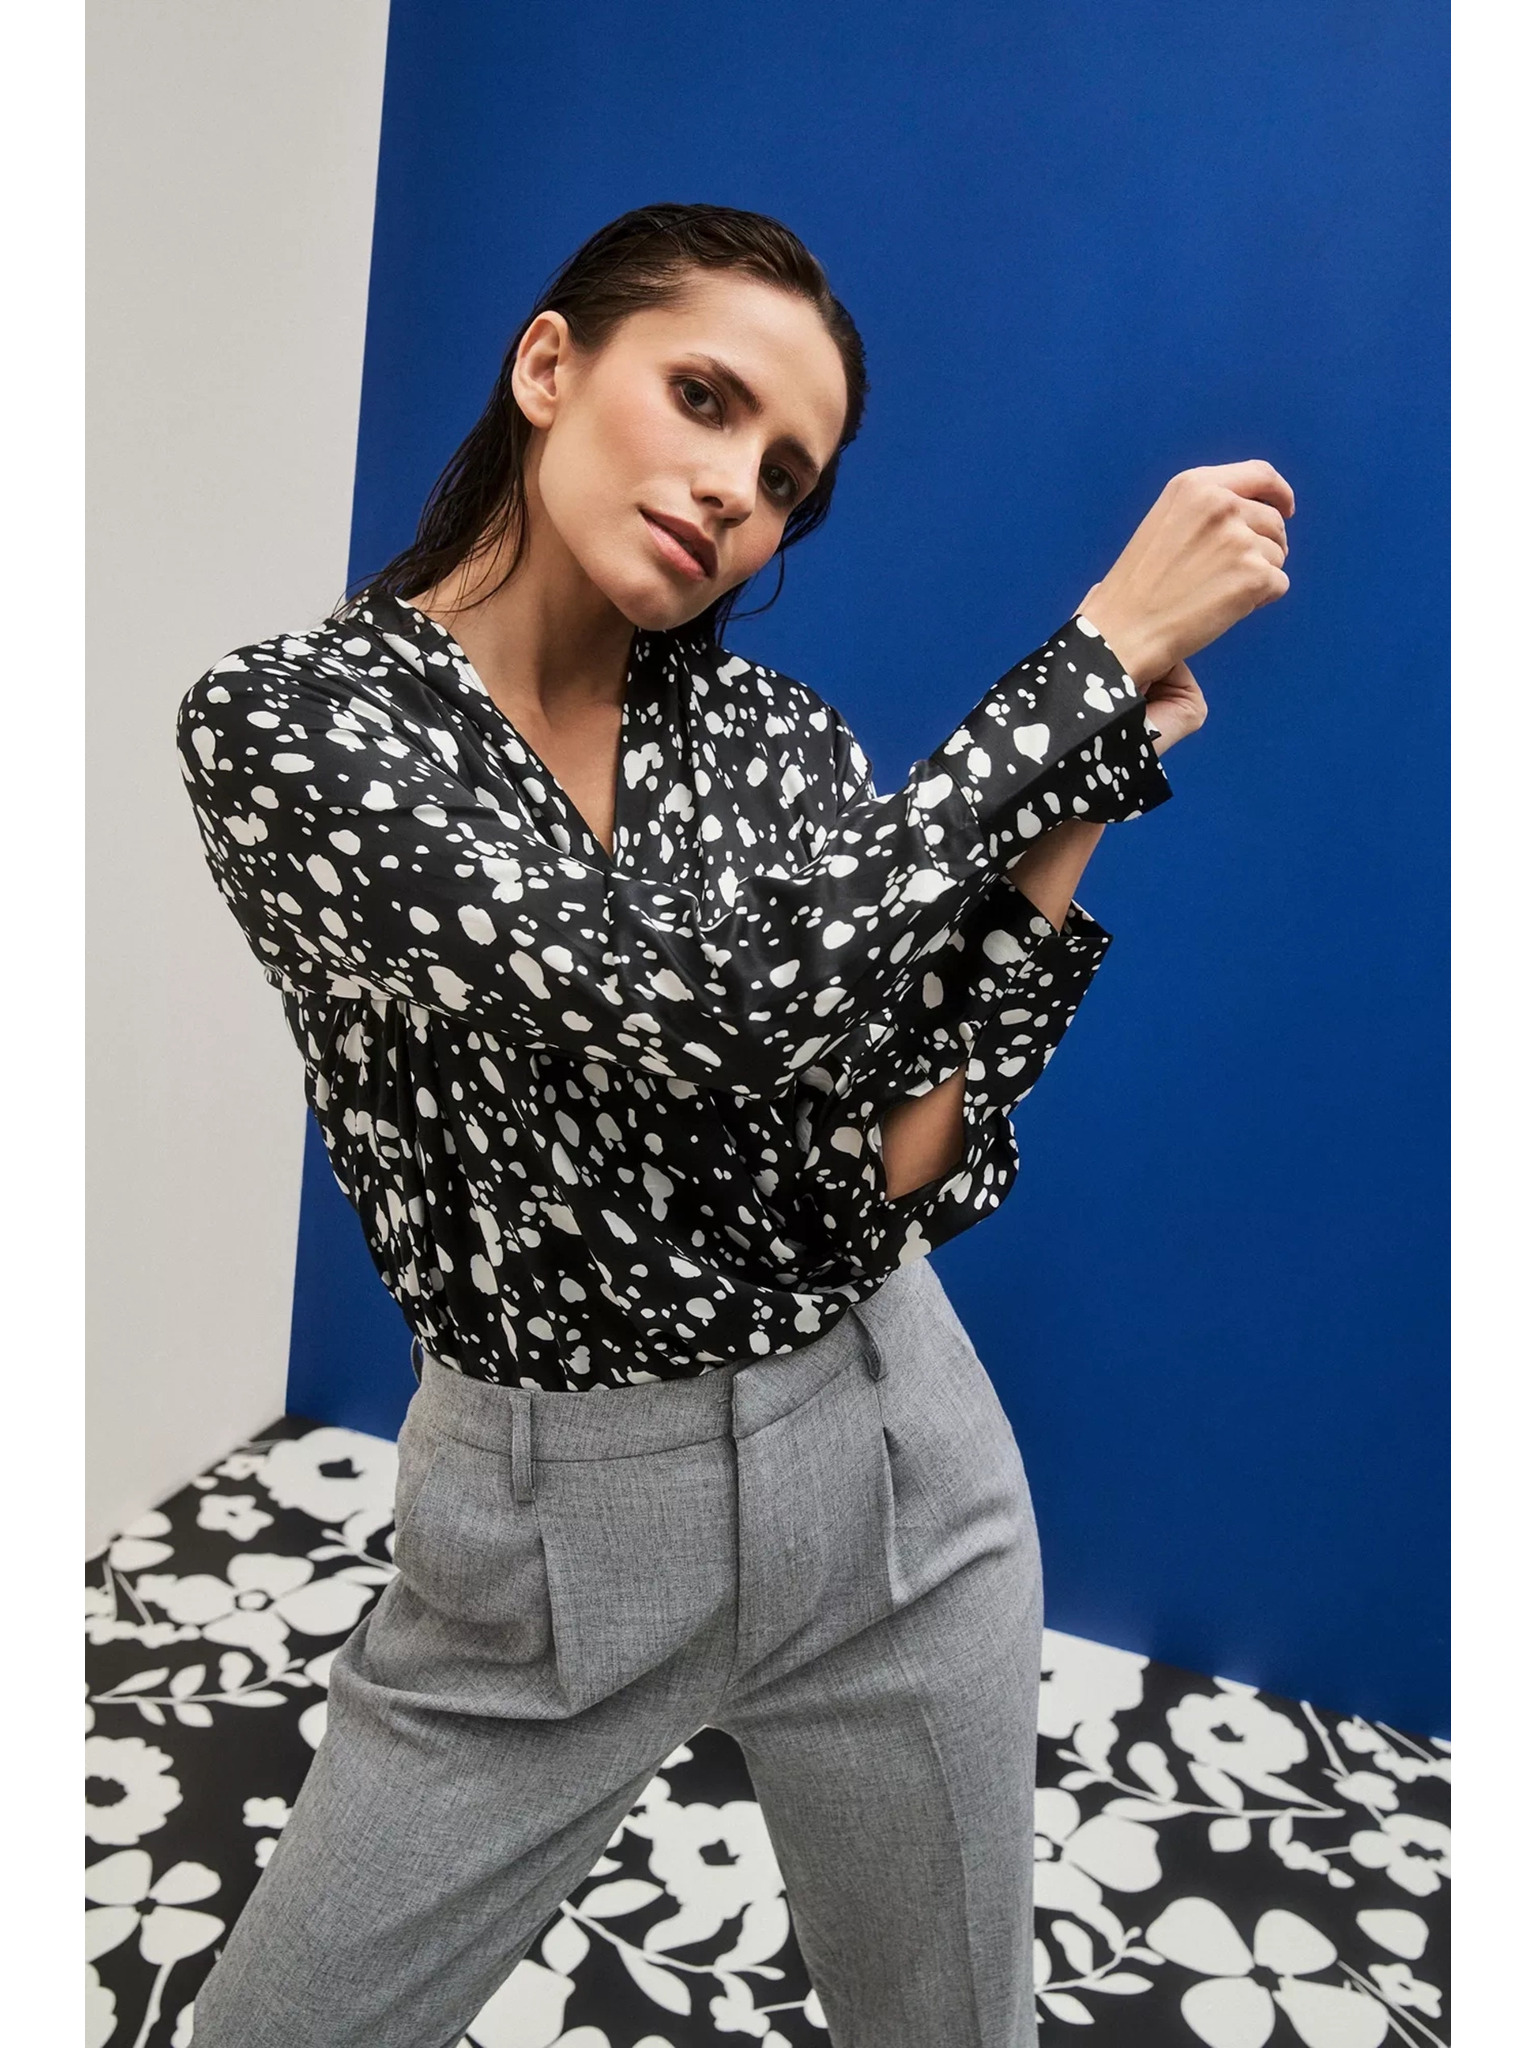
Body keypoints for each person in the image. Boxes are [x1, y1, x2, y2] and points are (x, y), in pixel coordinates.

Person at [176, 202, 1291, 2047]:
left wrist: (1077, 797)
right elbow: (710, 1014)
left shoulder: (778, 742)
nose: (733, 491)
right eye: (703, 398)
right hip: (548, 1555)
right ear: (550, 365)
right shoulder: (297, 729)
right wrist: (1081, 671)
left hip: (898, 1478)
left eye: (784, 479)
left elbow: (902, 1164)